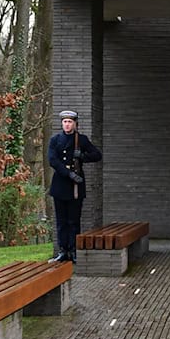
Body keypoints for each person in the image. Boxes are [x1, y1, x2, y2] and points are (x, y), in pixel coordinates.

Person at [48, 110, 102, 262]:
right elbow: (53, 160)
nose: (67, 124)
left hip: (75, 187)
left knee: (73, 220)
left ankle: (73, 250)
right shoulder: (55, 140)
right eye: (65, 122)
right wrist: (68, 174)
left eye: (70, 122)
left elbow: (97, 155)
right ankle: (63, 251)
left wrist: (82, 157)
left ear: (75, 123)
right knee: (61, 221)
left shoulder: (81, 140)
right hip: (61, 184)